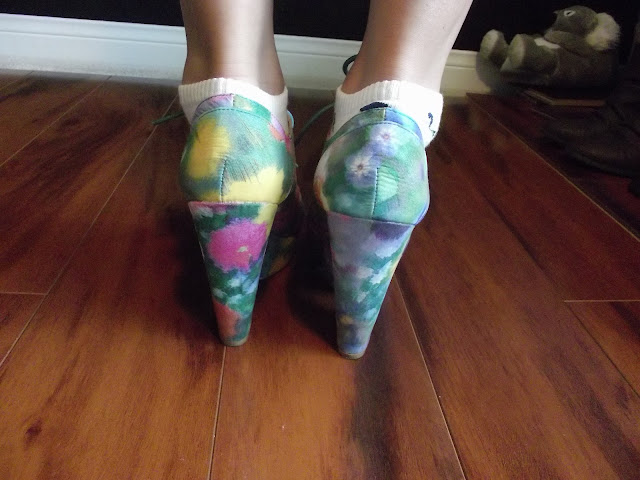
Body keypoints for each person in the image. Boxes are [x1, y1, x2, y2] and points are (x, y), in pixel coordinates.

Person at [177, 0, 473, 357]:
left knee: (232, 59)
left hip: (215, 148)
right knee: (402, 65)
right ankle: (399, 111)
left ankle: (233, 106)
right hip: (392, 158)